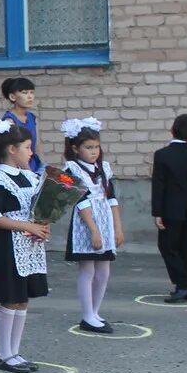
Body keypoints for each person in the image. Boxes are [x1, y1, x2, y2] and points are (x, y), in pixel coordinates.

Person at [0, 120, 50, 373]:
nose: (31, 153)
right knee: (11, 299)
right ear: (11, 149)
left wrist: (41, 224)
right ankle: (4, 354)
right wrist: (27, 227)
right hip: (9, 246)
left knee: (23, 300)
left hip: (29, 246)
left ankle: (15, 352)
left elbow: (37, 209)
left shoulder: (29, 176)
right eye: (28, 147)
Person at [60, 118, 123, 333]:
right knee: (88, 269)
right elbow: (81, 201)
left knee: (104, 271)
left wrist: (117, 227)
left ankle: (95, 312)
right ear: (75, 149)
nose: (94, 151)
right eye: (88, 147)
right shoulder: (71, 170)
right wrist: (94, 230)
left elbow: (112, 198)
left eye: (96, 147)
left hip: (105, 222)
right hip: (85, 225)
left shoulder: (103, 168)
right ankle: (87, 315)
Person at [151, 114, 187, 303]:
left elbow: (158, 185)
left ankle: (183, 284)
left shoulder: (162, 155)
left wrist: (157, 212)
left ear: (172, 129)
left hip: (170, 210)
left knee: (167, 247)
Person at [0, 76, 43, 172]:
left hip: (33, 164)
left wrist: (42, 166)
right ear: (12, 97)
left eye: (32, 92)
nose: (30, 96)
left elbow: (37, 145)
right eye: (25, 93)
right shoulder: (9, 121)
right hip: (19, 168)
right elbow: (12, 153)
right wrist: (28, 172)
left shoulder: (32, 117)